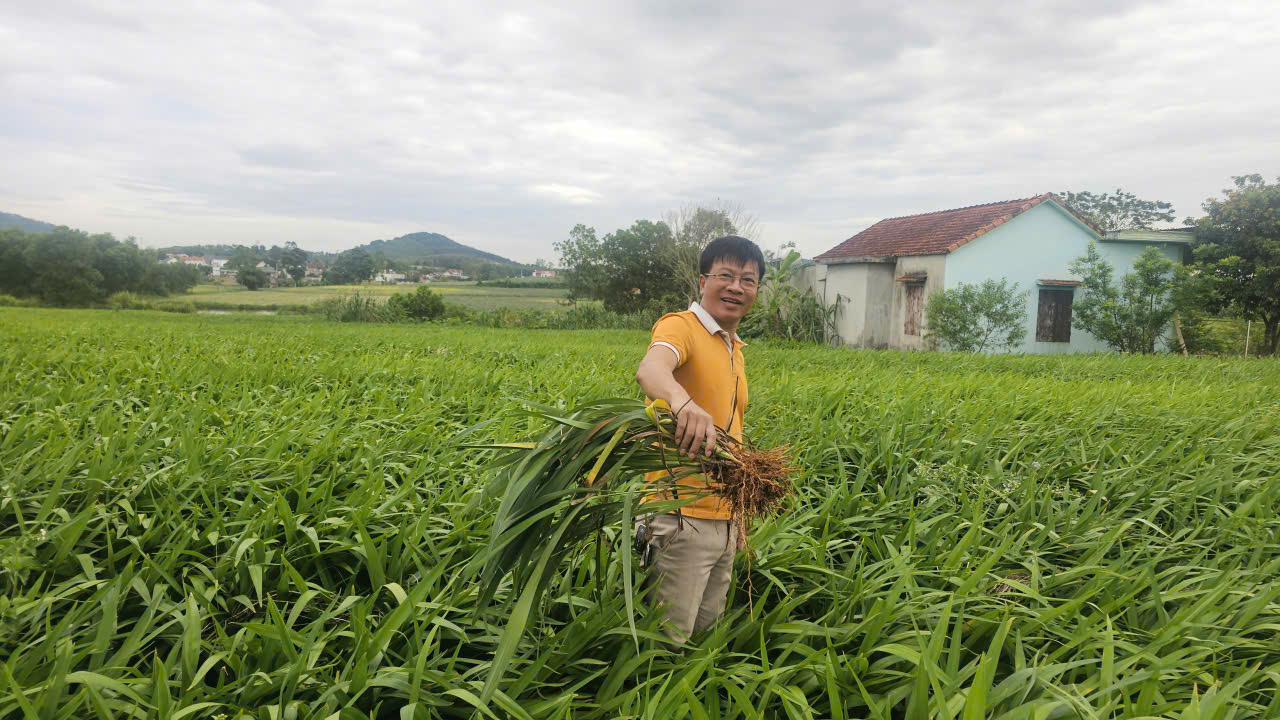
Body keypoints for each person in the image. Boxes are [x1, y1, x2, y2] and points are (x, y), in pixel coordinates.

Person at [633, 235, 765, 643]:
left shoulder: (733, 348)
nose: (736, 287)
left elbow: (731, 433)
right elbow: (651, 369)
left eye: (748, 280)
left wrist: (737, 514)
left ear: (756, 290)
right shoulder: (681, 326)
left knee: (707, 640)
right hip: (679, 517)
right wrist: (681, 401)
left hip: (723, 520)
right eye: (726, 275)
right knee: (666, 647)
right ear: (703, 281)